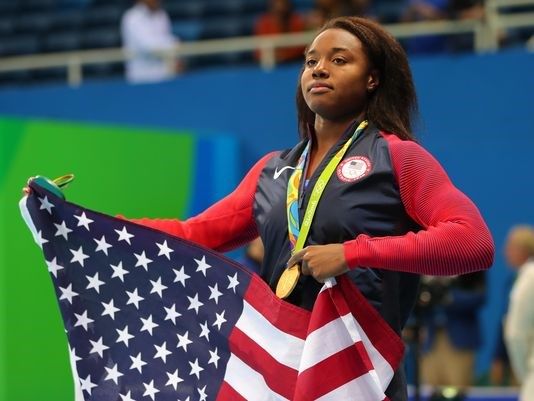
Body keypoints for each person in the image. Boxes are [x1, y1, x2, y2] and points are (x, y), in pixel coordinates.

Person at [28, 17, 494, 400]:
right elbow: (191, 234)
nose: (319, 69)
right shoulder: (274, 172)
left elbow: (472, 242)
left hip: (359, 374)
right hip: (276, 374)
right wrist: (80, 219)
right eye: (310, 61)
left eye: (339, 60)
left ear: (373, 78)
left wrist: (352, 254)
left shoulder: (399, 158)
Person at [418, 272, 486, 389]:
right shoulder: (422, 257)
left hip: (459, 339)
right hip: (430, 339)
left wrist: (448, 297)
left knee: (458, 390)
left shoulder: (469, 258)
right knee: (429, 391)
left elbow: (479, 295)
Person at [504, 225, 534, 401]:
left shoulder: (529, 279)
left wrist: (527, 375)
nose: (506, 251)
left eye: (510, 246)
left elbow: (515, 335)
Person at [120, 0, 180, 83]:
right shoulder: (132, 17)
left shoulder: (162, 15)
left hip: (164, 77)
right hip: (141, 78)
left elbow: (170, 40)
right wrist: (172, 47)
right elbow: (149, 47)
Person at [254, 0, 306, 64]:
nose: (280, 6)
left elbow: (301, 46)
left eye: (282, 3)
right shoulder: (264, 23)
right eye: (277, 3)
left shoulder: (296, 20)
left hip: (294, 61)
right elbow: (259, 51)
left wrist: (284, 55)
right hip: (271, 63)